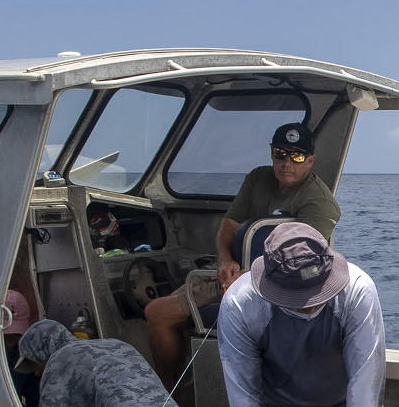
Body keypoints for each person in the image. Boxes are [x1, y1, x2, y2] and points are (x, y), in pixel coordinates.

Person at [145, 122, 343, 393]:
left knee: (161, 313)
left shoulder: (319, 203)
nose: (287, 163)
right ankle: (175, 400)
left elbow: (305, 264)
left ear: (310, 161)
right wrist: (225, 259)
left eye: (296, 156)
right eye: (280, 154)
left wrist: (250, 282)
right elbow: (229, 224)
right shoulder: (258, 179)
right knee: (157, 313)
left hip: (275, 288)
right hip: (228, 274)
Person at [218, 222, 397, 407]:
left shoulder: (358, 289)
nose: (310, 304)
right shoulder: (240, 304)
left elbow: (366, 378)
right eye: (297, 299)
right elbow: (243, 388)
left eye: (318, 293)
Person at [15, 318, 195, 407]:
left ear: (41, 351)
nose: (36, 373)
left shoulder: (59, 359)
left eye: (33, 364)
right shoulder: (117, 344)